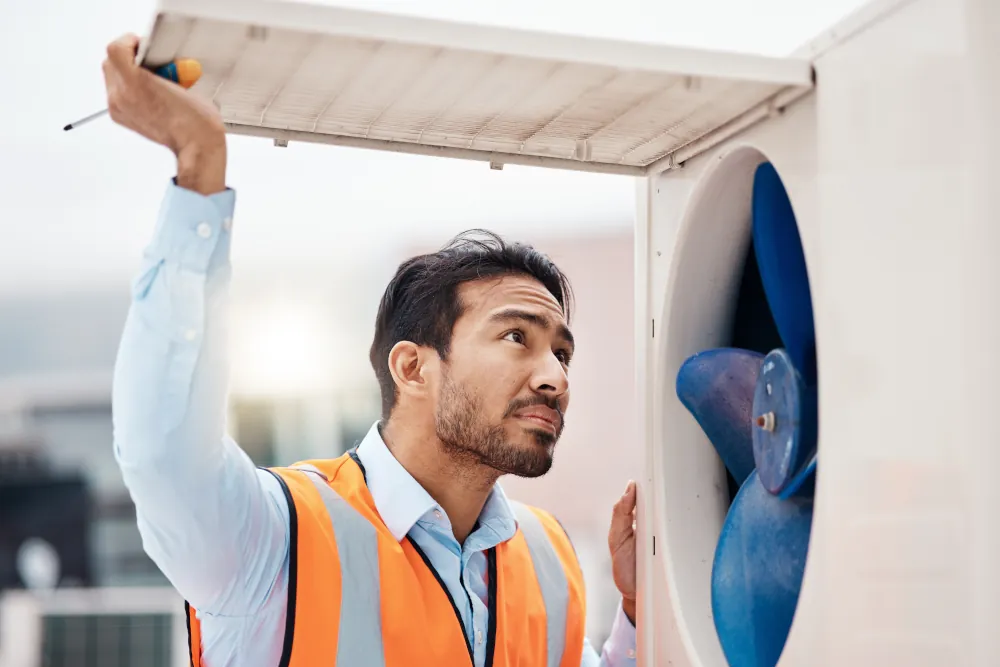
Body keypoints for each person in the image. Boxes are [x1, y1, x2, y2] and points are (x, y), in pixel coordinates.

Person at [105, 32, 639, 667]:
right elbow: (161, 447)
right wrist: (198, 170)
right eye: (517, 336)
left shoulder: (551, 556)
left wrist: (637, 612)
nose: (554, 377)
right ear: (412, 367)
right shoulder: (273, 539)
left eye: (563, 353)